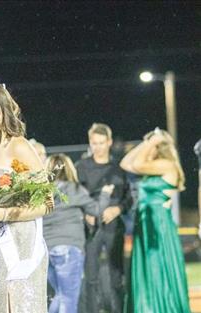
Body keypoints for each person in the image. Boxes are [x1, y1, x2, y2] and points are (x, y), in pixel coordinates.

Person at [0, 75, 54, 313]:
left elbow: (47, 202)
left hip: (22, 247)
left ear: (2, 109)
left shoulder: (19, 146)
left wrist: (2, 214)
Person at [121, 128, 190, 312]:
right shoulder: (152, 167)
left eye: (152, 145)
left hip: (157, 225)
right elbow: (126, 163)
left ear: (159, 147)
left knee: (157, 268)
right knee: (146, 271)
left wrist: (151, 141)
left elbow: (136, 163)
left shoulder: (167, 165)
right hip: (144, 222)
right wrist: (147, 141)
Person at [43, 154, 114, 313]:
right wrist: (105, 194)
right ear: (69, 169)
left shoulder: (43, 192)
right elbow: (96, 210)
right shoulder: (73, 189)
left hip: (47, 249)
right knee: (68, 298)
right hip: (69, 248)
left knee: (59, 295)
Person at [75, 123, 132, 313]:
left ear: (109, 142)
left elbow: (129, 199)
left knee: (117, 277)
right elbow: (75, 197)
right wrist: (86, 213)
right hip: (91, 229)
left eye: (101, 142)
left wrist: (117, 209)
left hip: (114, 227)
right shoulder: (81, 167)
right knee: (90, 278)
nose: (98, 147)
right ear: (90, 143)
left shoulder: (119, 167)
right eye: (94, 143)